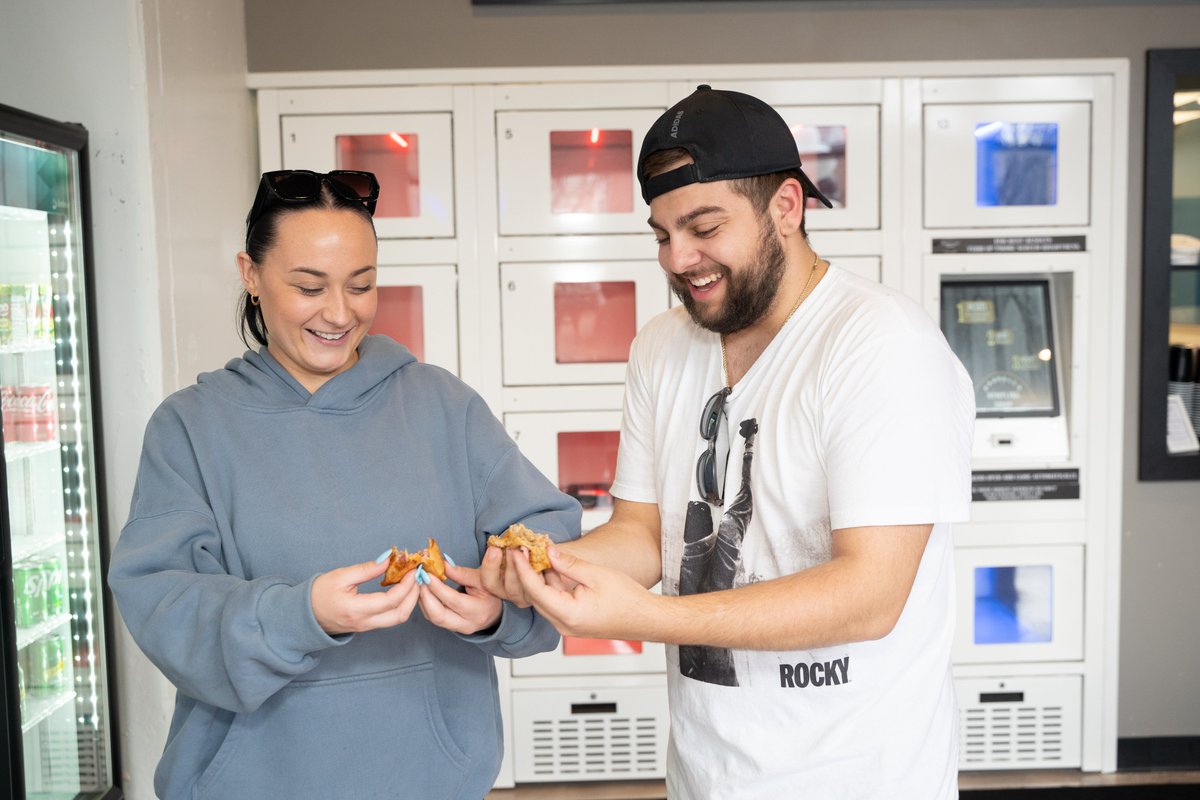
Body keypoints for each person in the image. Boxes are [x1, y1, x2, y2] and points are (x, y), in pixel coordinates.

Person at [480, 86, 975, 798]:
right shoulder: (661, 347)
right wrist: (537, 570)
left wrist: (644, 617)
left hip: (856, 778)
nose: (678, 259)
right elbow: (646, 533)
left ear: (786, 207)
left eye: (704, 227)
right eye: (661, 233)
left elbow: (872, 593)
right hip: (708, 775)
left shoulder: (881, 345)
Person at [107, 169, 581, 800]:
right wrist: (300, 615)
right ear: (250, 274)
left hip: (430, 779)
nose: (339, 313)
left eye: (361, 286)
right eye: (309, 287)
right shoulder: (190, 426)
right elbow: (161, 603)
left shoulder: (443, 404)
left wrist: (496, 606)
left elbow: (545, 542)